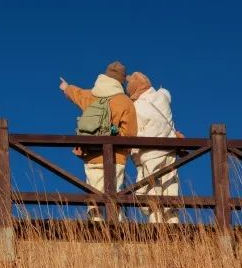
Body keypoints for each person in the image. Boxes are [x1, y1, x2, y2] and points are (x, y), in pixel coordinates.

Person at [59, 61, 137, 221]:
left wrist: (67, 88)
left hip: (91, 155)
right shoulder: (125, 101)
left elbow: (78, 94)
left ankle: (96, 229)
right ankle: (117, 232)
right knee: (114, 196)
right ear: (120, 81)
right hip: (116, 158)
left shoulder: (92, 95)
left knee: (94, 197)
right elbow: (130, 134)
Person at [127, 71, 181, 224]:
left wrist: (135, 155)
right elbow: (165, 94)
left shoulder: (136, 107)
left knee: (151, 189)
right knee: (170, 186)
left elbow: (136, 133)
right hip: (170, 148)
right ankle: (173, 222)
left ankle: (155, 224)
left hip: (150, 152)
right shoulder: (162, 98)